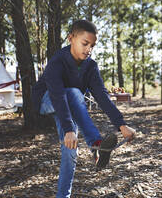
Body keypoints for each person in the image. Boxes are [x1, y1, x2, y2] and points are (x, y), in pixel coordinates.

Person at [31, 19, 136, 198]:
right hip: (46, 100)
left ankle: (63, 195)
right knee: (73, 93)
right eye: (85, 43)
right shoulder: (57, 61)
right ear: (71, 38)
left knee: (70, 151)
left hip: (69, 104)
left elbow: (102, 97)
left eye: (92, 46)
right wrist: (69, 129)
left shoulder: (91, 66)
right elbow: (57, 95)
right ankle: (95, 144)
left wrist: (121, 125)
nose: (89, 49)